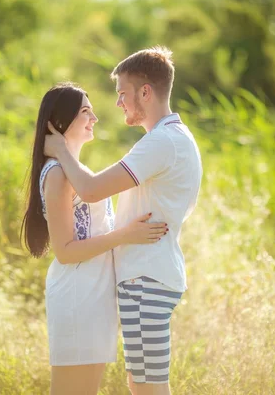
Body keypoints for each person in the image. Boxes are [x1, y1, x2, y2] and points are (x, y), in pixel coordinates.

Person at [44, 47, 203, 395]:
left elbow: (91, 189)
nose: (117, 104)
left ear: (145, 92)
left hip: (148, 278)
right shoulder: (170, 139)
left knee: (150, 387)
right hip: (144, 278)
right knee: (140, 384)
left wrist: (59, 152)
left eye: (122, 94)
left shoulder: (163, 141)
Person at [21, 82, 169, 395]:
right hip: (78, 291)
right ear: (60, 123)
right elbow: (65, 251)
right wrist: (126, 235)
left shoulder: (73, 170)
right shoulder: (58, 174)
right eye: (85, 111)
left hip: (93, 291)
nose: (95, 117)